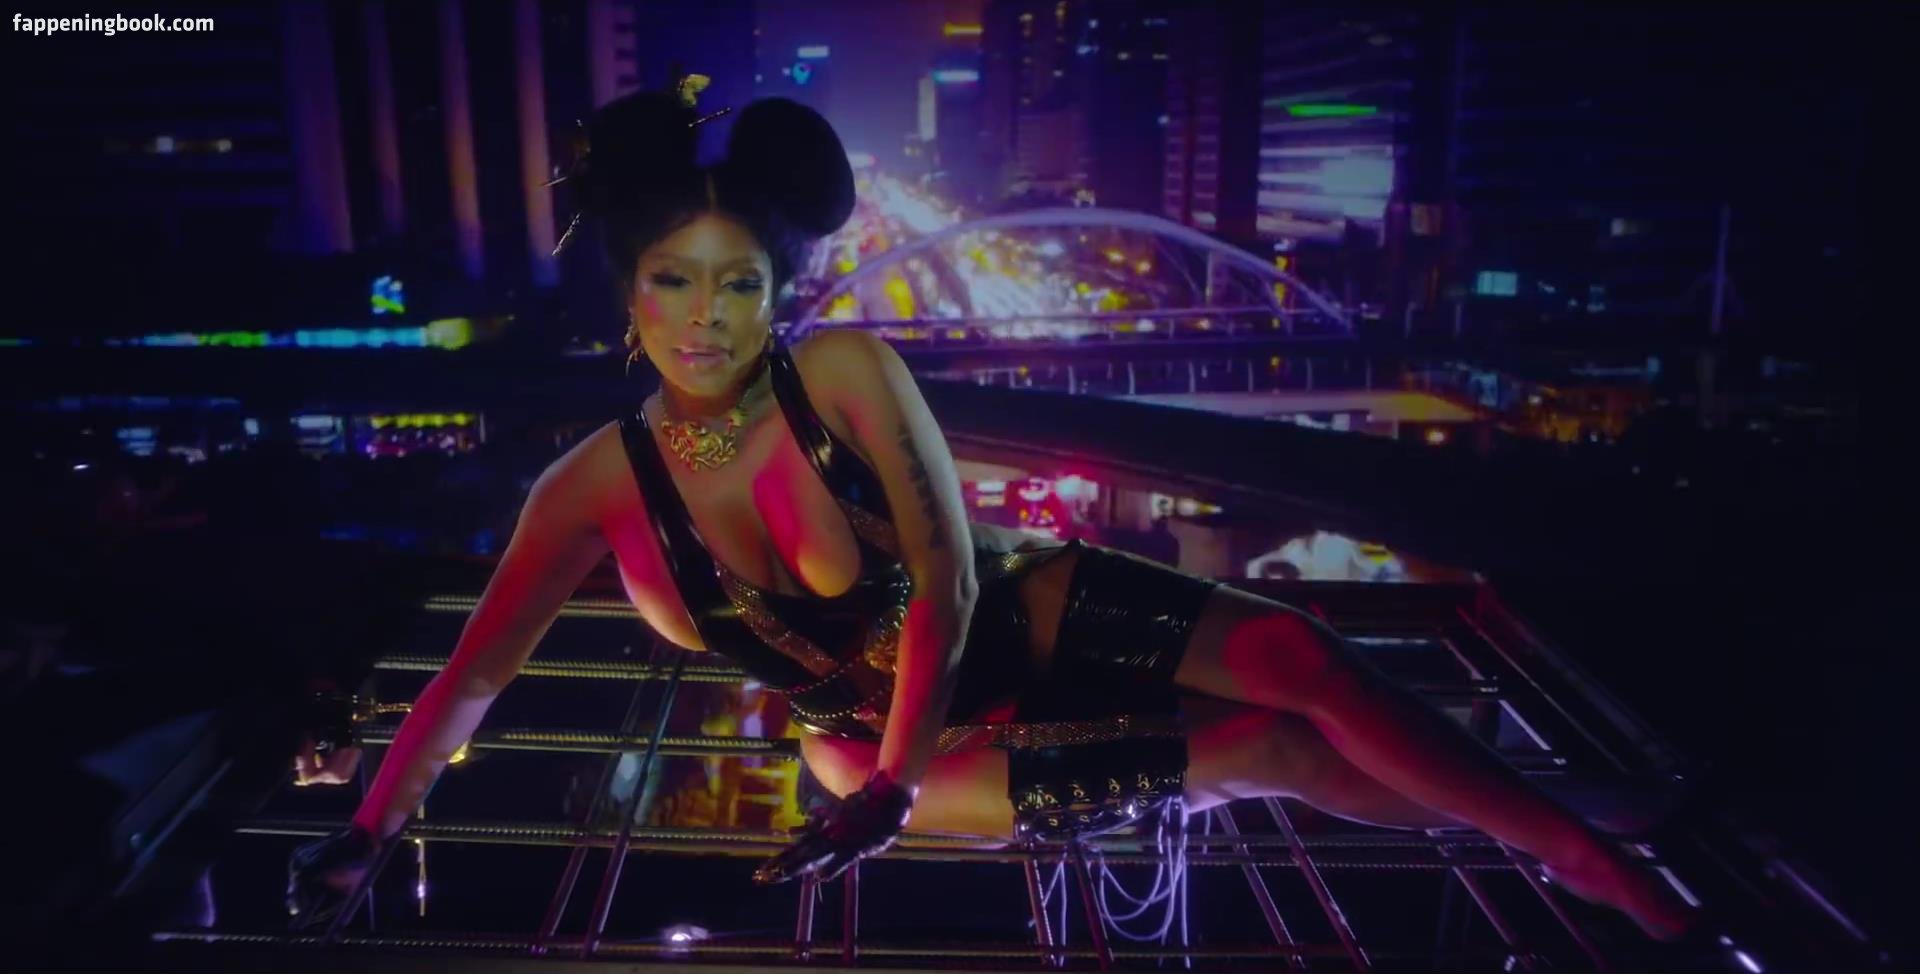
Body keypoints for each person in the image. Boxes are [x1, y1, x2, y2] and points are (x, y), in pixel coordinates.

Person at [287, 79, 1695, 941]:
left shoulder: (845, 371)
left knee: (1300, 657)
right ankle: (1551, 825)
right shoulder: (589, 488)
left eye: (738, 283)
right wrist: (365, 832)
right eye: (673, 279)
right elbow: (473, 677)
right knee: (1269, 748)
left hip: (1014, 615)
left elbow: (951, 578)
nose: (705, 316)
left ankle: (1577, 852)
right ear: (629, 291)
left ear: (776, 292)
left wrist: (897, 778)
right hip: (871, 747)